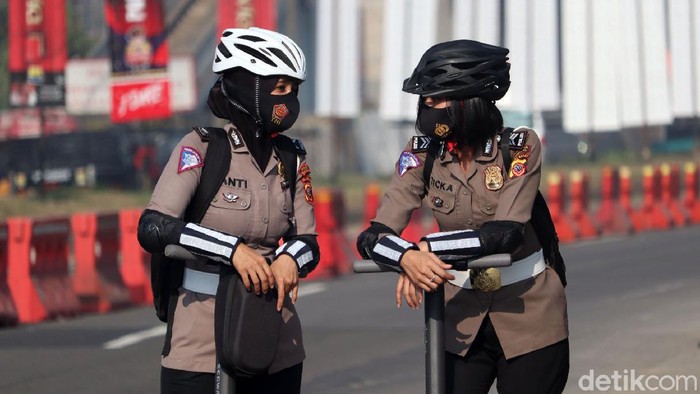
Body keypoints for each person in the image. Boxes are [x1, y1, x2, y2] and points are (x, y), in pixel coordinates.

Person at [357, 39, 569, 393]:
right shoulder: (420, 155)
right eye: (424, 102)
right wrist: (407, 258)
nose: (428, 109)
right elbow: (373, 237)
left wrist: (428, 248)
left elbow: (504, 233)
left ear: (469, 101)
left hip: (528, 313)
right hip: (460, 319)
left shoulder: (519, 147)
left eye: (436, 100)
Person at [137, 27, 319, 394]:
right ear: (248, 87)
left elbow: (309, 241)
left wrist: (290, 260)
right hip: (200, 338)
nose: (290, 100)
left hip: (274, 335)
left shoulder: (292, 157)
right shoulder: (201, 148)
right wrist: (232, 250)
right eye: (280, 88)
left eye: (294, 90)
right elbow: (154, 226)